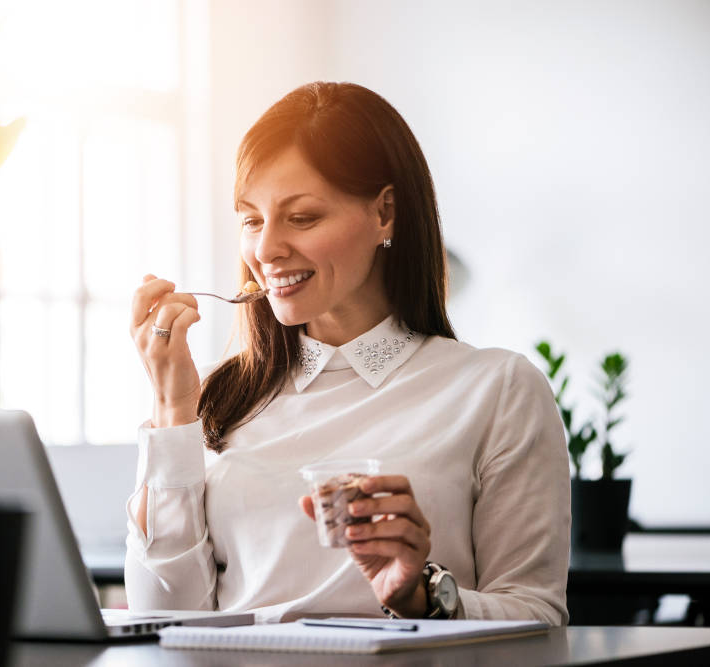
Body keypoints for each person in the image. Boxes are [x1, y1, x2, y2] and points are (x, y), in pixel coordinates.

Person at [126, 81, 570, 624]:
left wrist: (425, 596)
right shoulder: (217, 396)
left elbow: (537, 617)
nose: (265, 250)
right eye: (251, 220)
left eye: (302, 217)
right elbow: (163, 617)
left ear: (384, 213)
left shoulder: (496, 389)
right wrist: (173, 409)